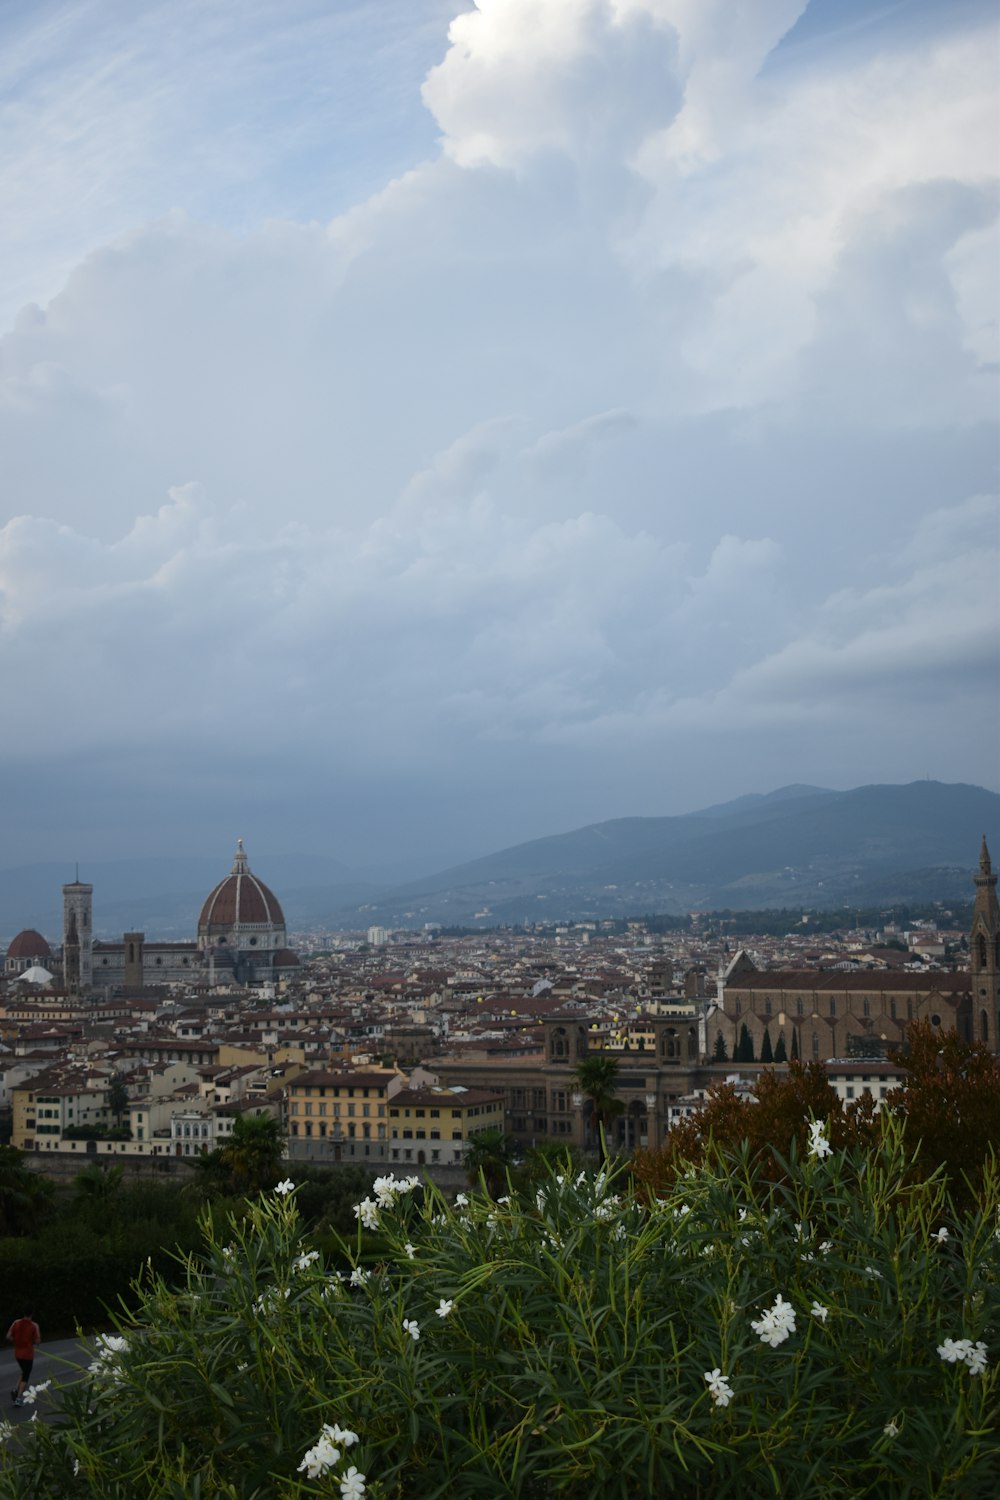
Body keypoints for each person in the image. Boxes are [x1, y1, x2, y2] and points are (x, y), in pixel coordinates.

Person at [7, 1310, 41, 1407]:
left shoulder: (16, 1322)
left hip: (18, 1353)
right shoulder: (34, 1325)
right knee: (26, 1376)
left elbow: (8, 1336)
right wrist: (32, 1341)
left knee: (24, 1371)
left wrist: (16, 1342)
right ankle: (18, 1399)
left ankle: (15, 1389)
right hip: (28, 1354)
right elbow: (38, 1340)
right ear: (32, 1314)